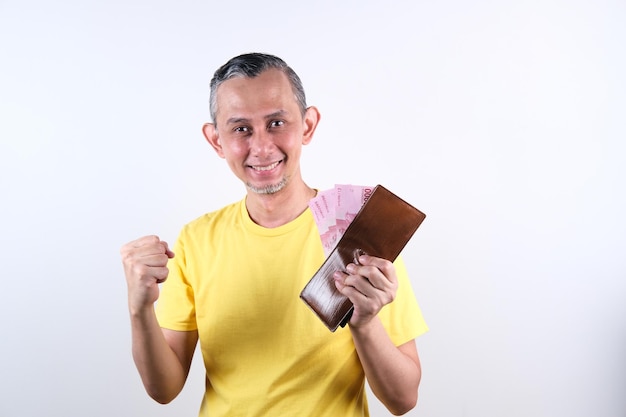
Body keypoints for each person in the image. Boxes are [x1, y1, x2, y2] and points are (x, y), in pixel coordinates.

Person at [120, 52, 428, 416]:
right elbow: (164, 389)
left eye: (277, 122)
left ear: (308, 125)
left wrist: (363, 322)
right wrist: (140, 309)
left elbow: (402, 399)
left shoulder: (363, 235)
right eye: (241, 129)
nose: (262, 147)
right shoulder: (195, 241)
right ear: (216, 140)